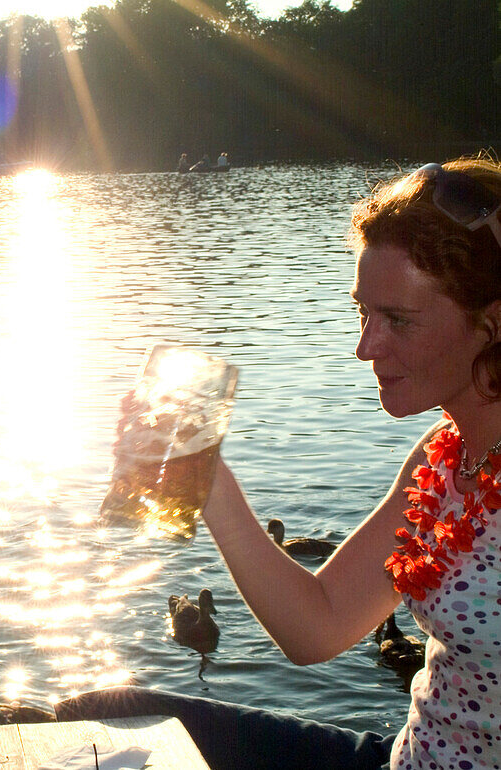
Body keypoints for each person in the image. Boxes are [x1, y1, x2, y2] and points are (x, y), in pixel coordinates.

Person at [57, 156, 501, 770]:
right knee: (98, 715)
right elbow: (316, 628)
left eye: (397, 320)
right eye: (363, 313)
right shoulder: (441, 460)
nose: (365, 346)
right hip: (405, 757)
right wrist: (204, 477)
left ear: (491, 321)